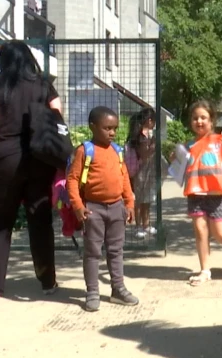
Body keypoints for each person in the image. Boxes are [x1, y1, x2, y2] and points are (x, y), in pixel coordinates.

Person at [0, 40, 59, 299]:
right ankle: (48, 281)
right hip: (40, 158)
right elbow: (57, 117)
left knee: (0, 220)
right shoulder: (44, 86)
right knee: (40, 219)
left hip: (6, 158)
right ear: (29, 58)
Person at [65, 106, 138, 312]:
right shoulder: (84, 151)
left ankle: (118, 290)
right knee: (93, 253)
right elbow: (72, 180)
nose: (112, 132)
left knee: (116, 251)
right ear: (93, 127)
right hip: (93, 210)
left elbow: (124, 179)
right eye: (107, 128)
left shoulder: (117, 151)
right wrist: (78, 206)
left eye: (114, 128)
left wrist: (129, 203)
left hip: (116, 208)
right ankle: (92, 292)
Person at [182, 101, 222, 286]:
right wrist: (175, 157)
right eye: (195, 118)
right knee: (200, 232)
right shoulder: (187, 146)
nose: (199, 121)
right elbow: (179, 168)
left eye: (203, 117)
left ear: (211, 121)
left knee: (220, 234)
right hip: (195, 194)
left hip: (218, 195)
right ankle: (205, 270)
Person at [127, 108, 158, 239]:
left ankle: (146, 224)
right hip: (141, 171)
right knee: (140, 200)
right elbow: (144, 154)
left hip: (148, 171)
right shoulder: (141, 136)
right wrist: (154, 146)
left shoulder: (145, 134)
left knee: (147, 199)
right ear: (149, 120)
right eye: (154, 121)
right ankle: (138, 226)